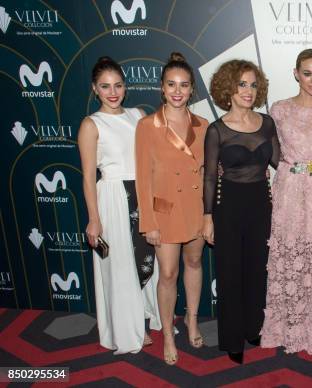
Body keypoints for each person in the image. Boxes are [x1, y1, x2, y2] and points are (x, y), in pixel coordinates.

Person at [259, 49, 312, 356]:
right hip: (289, 193)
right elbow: (269, 152)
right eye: (307, 73)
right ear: (296, 73)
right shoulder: (279, 109)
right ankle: (286, 329)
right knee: (289, 258)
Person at [78, 56, 161, 355]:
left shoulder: (138, 114)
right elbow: (88, 176)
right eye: (105, 86)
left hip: (141, 192)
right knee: (121, 264)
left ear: (125, 87)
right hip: (113, 197)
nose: (112, 92)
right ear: (94, 89)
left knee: (146, 258)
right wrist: (93, 219)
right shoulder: (91, 124)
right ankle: (130, 324)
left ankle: (147, 315)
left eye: (118, 85)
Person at [203, 60, 279, 364]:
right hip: (228, 205)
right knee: (230, 273)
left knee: (257, 271)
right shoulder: (216, 130)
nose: (248, 91)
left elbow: (282, 162)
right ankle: (232, 339)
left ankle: (252, 328)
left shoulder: (267, 123)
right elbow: (209, 176)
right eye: (241, 84)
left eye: (253, 84)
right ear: (228, 88)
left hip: (262, 203)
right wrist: (207, 216)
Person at [135, 52, 208, 365]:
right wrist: (148, 221)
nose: (177, 91)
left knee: (194, 264)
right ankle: (168, 332)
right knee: (168, 273)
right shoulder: (147, 126)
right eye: (171, 84)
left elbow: (206, 173)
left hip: (195, 208)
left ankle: (191, 320)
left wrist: (210, 214)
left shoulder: (203, 125)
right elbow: (142, 178)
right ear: (162, 89)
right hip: (164, 212)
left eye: (184, 85)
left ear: (192, 89)